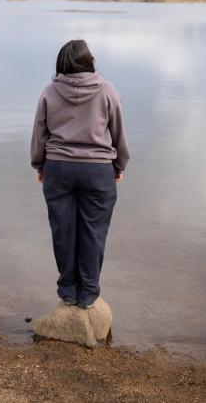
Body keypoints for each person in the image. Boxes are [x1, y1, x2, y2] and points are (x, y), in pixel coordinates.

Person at [30, 39, 130, 309]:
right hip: (98, 170)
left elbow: (39, 134)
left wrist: (40, 165)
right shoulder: (107, 90)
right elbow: (118, 131)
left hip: (59, 169)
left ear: (61, 64)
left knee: (63, 231)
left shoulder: (49, 92)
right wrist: (119, 166)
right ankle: (87, 293)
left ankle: (67, 290)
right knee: (94, 231)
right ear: (90, 61)